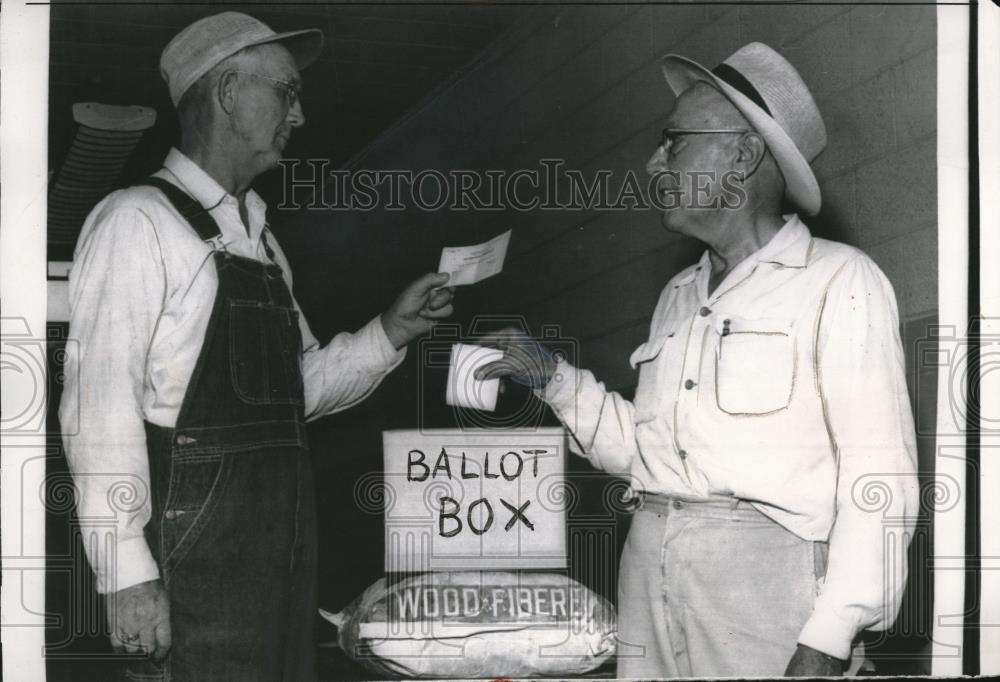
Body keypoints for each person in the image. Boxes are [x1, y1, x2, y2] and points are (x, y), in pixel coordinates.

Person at [478, 42, 919, 677]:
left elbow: (880, 479)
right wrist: (553, 378)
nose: (653, 163)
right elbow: (651, 456)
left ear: (742, 155)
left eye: (674, 142)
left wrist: (830, 633)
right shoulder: (678, 295)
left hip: (767, 595)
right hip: (648, 573)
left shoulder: (838, 280)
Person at [59, 12, 454, 681]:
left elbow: (293, 394)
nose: (298, 115)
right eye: (286, 92)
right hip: (192, 573)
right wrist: (126, 573)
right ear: (229, 91)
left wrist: (391, 331)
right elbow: (97, 410)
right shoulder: (138, 221)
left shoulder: (262, 244)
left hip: (279, 567)